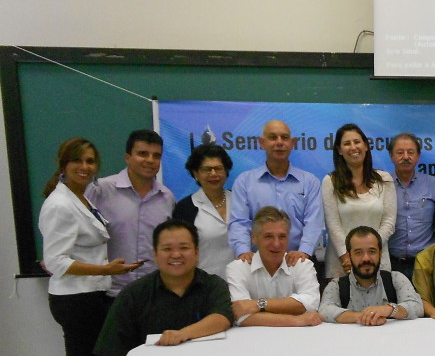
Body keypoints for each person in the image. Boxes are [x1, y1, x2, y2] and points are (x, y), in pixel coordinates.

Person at [38, 139, 143, 356]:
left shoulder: (79, 199)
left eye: (90, 161)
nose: (85, 167)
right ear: (63, 164)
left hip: (88, 294)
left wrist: (110, 271)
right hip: (76, 298)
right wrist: (107, 270)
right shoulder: (59, 205)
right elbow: (55, 260)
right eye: (77, 161)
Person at [95, 220, 233, 356]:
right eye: (167, 249)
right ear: (155, 254)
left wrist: (182, 334)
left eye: (184, 248)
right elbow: (114, 349)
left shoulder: (214, 285)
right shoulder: (133, 294)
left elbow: (221, 318)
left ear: (196, 253)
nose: (176, 255)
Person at [86, 129, 175, 296]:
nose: (150, 160)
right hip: (108, 293)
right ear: (127, 157)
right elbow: (78, 234)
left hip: (153, 294)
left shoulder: (167, 197)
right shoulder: (101, 190)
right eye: (143, 154)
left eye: (156, 156)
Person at [227, 119, 323, 266]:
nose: (279, 142)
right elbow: (239, 222)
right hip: (256, 264)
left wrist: (304, 252)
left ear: (292, 143)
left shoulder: (310, 182)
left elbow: (314, 223)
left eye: (284, 138)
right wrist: (243, 252)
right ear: (261, 142)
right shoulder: (244, 182)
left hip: (299, 262)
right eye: (273, 137)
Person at [225, 207, 323, 327]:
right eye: (268, 236)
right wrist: (298, 320)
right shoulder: (237, 268)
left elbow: (310, 304)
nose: (276, 244)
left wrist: (259, 304)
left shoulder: (302, 264)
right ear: (254, 237)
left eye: (282, 236)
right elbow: (241, 315)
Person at [322, 123, 397, 278]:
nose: (353, 147)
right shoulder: (330, 181)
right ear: (339, 150)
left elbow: (389, 222)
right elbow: (333, 224)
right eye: (347, 143)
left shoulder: (384, 179)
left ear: (366, 146)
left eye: (357, 142)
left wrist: (370, 253)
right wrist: (347, 255)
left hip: (377, 262)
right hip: (343, 263)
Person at [318, 226, 423, 324]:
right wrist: (364, 317)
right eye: (358, 253)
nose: (366, 258)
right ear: (349, 256)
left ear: (380, 253)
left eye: (372, 251)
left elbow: (417, 307)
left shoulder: (396, 279)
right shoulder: (336, 285)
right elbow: (324, 310)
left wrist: (389, 309)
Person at [172, 143, 234, 279]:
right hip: (204, 286)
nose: (214, 174)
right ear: (196, 173)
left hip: (242, 284)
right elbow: (181, 252)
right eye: (207, 169)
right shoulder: (185, 208)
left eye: (218, 168)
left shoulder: (241, 201)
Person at [388, 132, 435, 280]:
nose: (405, 157)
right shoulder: (383, 185)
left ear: (418, 156)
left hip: (426, 264)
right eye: (400, 152)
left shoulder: (433, 184)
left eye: (410, 152)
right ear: (391, 156)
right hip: (392, 264)